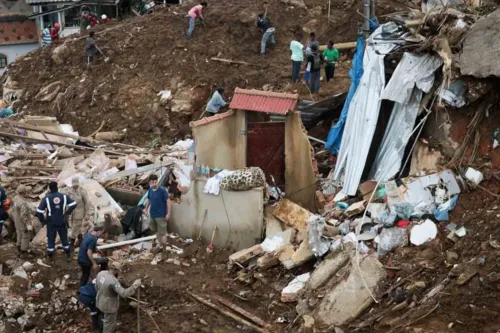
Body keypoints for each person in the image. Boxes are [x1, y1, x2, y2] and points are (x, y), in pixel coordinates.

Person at [36, 181, 77, 262]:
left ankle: (50, 255)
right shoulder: (64, 197)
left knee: (51, 238)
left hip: (51, 222)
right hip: (61, 221)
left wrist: (43, 221)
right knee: (64, 238)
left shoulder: (47, 198)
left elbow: (39, 211)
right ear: (57, 187)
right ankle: (68, 254)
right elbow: (74, 204)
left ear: (50, 189)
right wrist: (67, 213)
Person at [96, 262, 141, 333]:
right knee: (109, 323)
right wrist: (134, 286)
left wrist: (116, 281)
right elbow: (124, 293)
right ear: (117, 270)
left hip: (100, 300)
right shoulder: (113, 282)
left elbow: (97, 286)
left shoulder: (101, 273)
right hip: (109, 305)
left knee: (106, 319)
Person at [144, 174, 171, 253]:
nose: (154, 184)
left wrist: (168, 213)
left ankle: (164, 248)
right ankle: (160, 245)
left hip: (161, 215)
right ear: (150, 182)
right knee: (156, 231)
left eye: (155, 182)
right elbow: (149, 200)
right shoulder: (150, 190)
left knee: (163, 233)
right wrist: (146, 209)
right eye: (152, 182)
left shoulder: (162, 190)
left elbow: (168, 201)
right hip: (152, 215)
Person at [64, 178, 92, 247]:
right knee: (76, 227)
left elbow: (87, 203)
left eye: (76, 185)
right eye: (74, 185)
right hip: (73, 213)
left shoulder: (82, 191)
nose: (75, 186)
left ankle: (71, 243)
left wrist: (87, 214)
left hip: (80, 212)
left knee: (75, 228)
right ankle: (80, 240)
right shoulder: (70, 191)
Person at [12, 185, 34, 258]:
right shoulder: (22, 203)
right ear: (24, 192)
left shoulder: (15, 198)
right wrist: (28, 225)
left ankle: (19, 249)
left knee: (19, 235)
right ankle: (24, 253)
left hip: (17, 222)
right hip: (22, 223)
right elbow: (24, 215)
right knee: (25, 237)